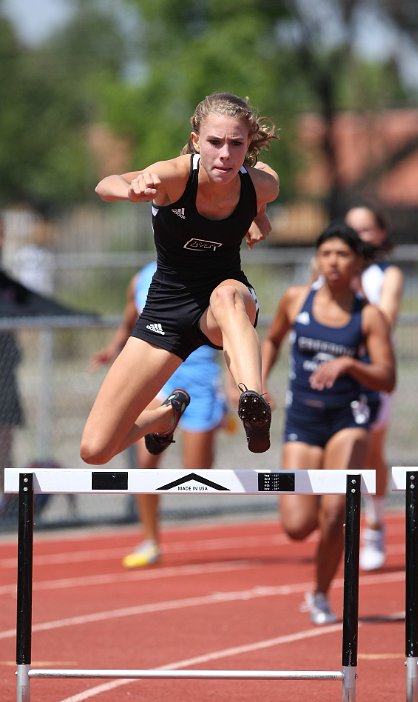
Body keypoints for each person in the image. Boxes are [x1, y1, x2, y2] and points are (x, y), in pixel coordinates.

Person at [80, 91, 279, 467]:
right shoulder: (172, 175)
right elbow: (105, 184)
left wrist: (259, 216)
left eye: (236, 144)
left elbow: (266, 186)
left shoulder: (260, 185)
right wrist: (131, 189)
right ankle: (167, 415)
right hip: (166, 310)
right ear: (195, 142)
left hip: (222, 307)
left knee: (227, 297)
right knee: (95, 449)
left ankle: (254, 400)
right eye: (215, 142)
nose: (225, 154)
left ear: (248, 145)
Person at [261, 221, 396, 625]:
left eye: (342, 254)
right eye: (326, 254)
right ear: (316, 260)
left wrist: (350, 363)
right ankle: (316, 531)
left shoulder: (367, 317)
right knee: (297, 526)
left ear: (357, 263)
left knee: (336, 507)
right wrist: (255, 383)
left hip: (348, 418)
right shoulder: (295, 299)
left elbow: (387, 378)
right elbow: (272, 339)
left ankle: (320, 594)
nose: (333, 262)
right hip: (303, 417)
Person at [91, 259, 233, 568]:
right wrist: (113, 348)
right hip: (159, 376)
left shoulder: (208, 272)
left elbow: (232, 330)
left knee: (198, 472)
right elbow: (131, 320)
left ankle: (216, 413)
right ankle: (150, 540)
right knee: (145, 462)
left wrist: (236, 383)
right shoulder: (141, 278)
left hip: (200, 376)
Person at [0, 208, 86, 523]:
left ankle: (4, 501)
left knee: (5, 432)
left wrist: (74, 315)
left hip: (1, 365)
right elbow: (3, 308)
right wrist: (29, 312)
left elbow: (29, 299)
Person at [344, 203, 404, 571]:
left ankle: (375, 523)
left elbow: (386, 319)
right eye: (353, 230)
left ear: (380, 233)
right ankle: (337, 525)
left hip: (372, 370)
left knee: (369, 450)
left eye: (367, 230)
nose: (360, 237)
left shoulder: (388, 274)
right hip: (330, 371)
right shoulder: (329, 268)